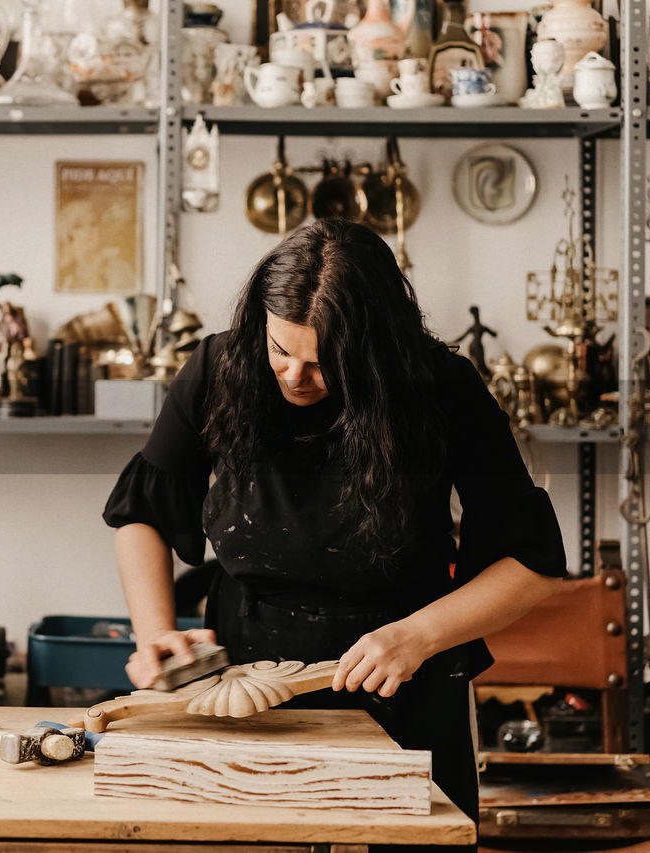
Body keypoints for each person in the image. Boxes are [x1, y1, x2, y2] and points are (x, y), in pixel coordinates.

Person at [103, 219, 565, 822]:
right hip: (245, 679)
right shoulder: (221, 365)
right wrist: (156, 631)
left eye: (324, 364)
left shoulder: (441, 387)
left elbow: (530, 565)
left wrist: (418, 636)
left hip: (401, 675)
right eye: (281, 351)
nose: (296, 378)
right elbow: (143, 515)